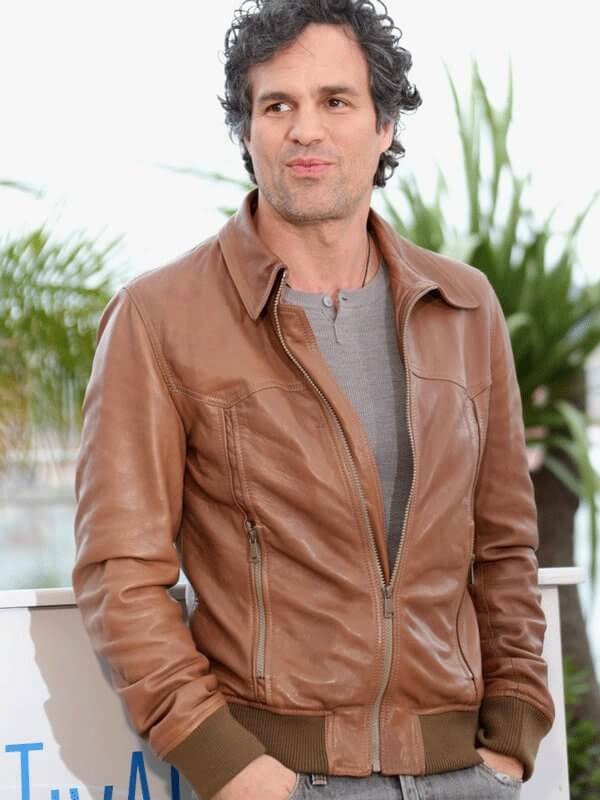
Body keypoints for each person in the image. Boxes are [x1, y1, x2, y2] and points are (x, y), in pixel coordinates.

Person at [72, 1, 555, 799]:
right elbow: (119, 572)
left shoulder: (465, 307)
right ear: (247, 131)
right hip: (280, 777)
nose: (305, 130)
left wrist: (513, 732)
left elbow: (506, 546)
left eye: (335, 100)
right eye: (277, 106)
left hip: (466, 772)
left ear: (384, 124)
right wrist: (229, 764)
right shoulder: (158, 317)